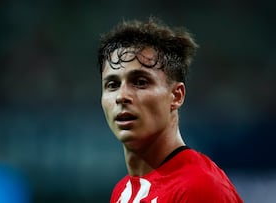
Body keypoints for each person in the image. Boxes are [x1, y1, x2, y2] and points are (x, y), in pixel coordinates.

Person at [97, 17, 243, 203]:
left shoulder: (199, 188)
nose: (121, 96)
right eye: (112, 84)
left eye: (141, 82)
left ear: (176, 96)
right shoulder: (123, 191)